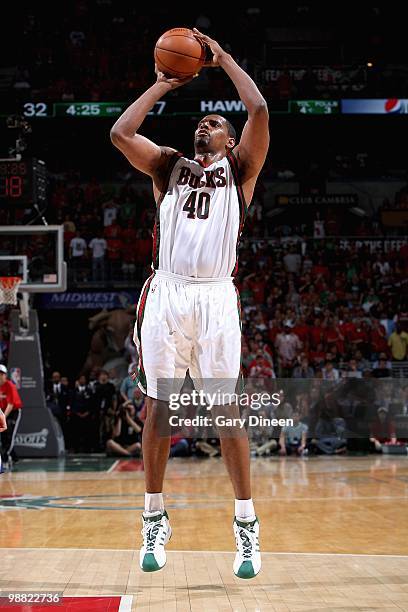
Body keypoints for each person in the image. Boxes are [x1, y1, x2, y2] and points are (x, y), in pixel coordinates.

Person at [110, 28, 269, 578]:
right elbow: (121, 131)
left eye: (216, 124)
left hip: (217, 298)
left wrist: (221, 58)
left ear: (230, 140)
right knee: (159, 406)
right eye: (202, 122)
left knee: (227, 412)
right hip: (168, 291)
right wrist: (160, 86)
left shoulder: (241, 172)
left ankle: (245, 526)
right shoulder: (168, 166)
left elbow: (258, 107)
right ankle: (154, 515)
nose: (206, 125)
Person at [0, 364, 22, 468]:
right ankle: (15, 457)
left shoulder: (9, 385)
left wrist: (3, 417)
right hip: (2, 412)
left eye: (2, 374)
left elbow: (10, 404)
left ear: (5, 375)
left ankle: (5, 458)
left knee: (10, 434)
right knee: (3, 436)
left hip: (13, 412)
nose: (0, 376)